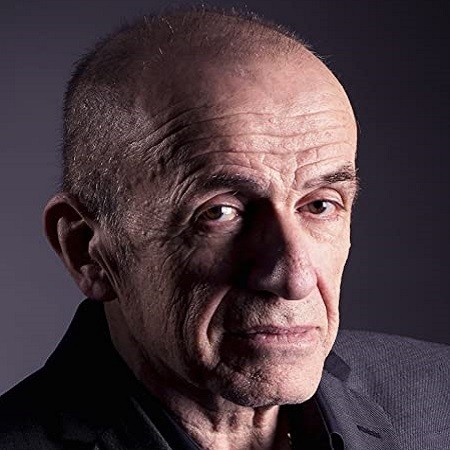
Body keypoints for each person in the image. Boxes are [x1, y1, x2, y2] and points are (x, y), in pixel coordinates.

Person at [1, 8, 448, 450]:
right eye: (219, 212)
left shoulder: (439, 397)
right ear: (87, 249)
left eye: (320, 205)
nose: (293, 279)